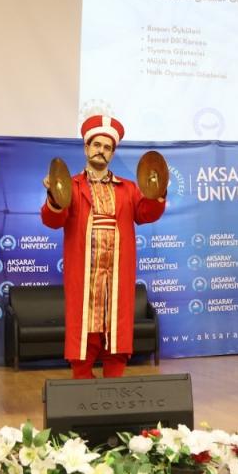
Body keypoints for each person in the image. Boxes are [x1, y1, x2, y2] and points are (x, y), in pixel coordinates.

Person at [40, 115, 166, 379]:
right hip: (85, 277)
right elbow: (53, 220)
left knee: (116, 333)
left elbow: (146, 214)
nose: (101, 150)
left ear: (112, 153)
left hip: (117, 278)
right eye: (96, 145)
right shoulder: (71, 186)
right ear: (86, 148)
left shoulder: (128, 188)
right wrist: (54, 196)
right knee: (84, 334)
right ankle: (82, 388)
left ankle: (114, 389)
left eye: (107, 147)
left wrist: (157, 192)